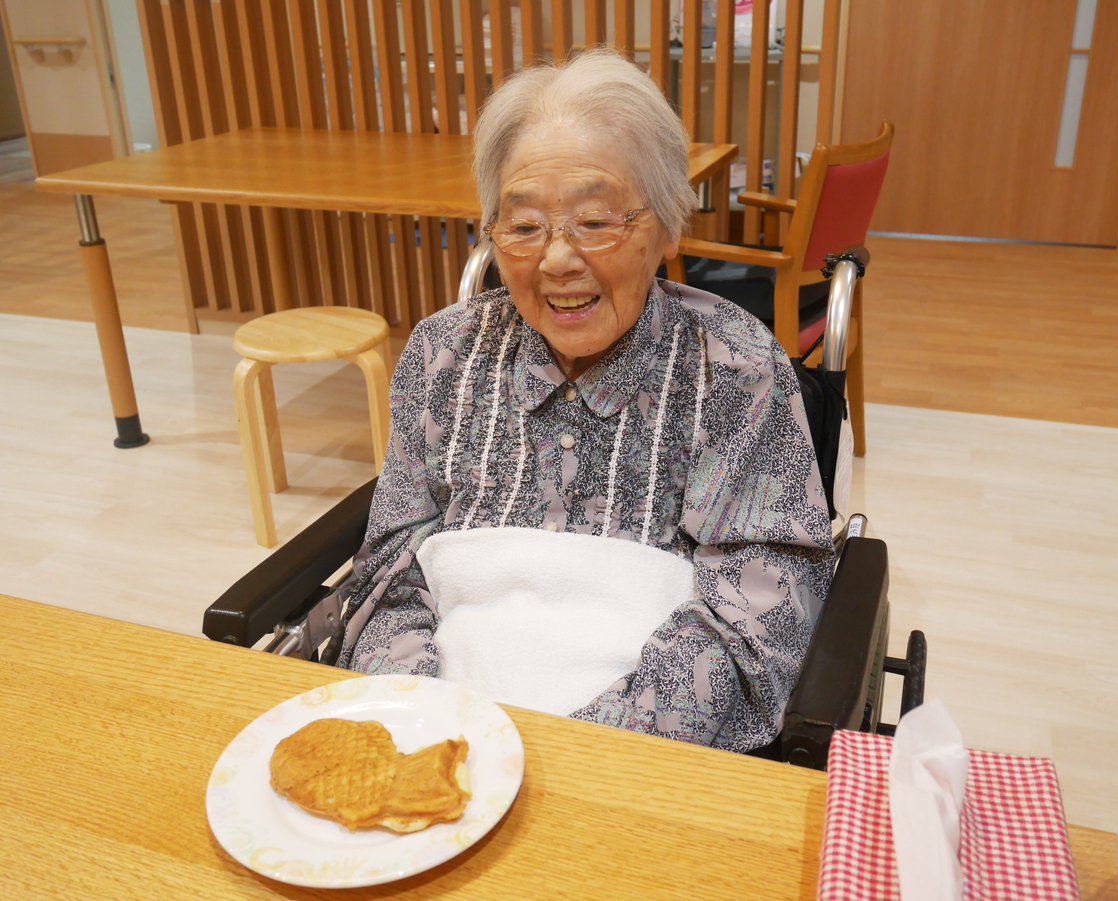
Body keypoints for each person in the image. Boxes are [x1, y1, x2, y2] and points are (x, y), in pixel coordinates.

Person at [337, 49, 833, 753]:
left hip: (634, 767)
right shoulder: (441, 356)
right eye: (525, 225)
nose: (557, 259)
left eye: (595, 221)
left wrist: (563, 759)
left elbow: (754, 626)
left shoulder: (735, 369)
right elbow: (391, 572)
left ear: (664, 226)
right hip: (437, 748)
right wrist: (430, 727)